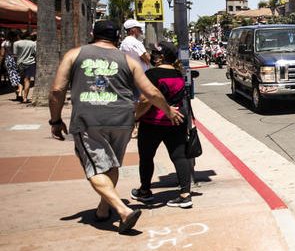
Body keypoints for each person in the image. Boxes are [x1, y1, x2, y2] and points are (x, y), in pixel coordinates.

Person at [48, 20, 184, 235]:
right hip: (122, 121)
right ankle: (104, 209)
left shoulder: (74, 55)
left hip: (89, 120)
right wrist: (168, 110)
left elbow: (57, 90)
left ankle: (122, 210)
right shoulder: (127, 60)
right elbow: (151, 92)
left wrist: (55, 120)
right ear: (117, 37)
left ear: (93, 34)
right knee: (111, 166)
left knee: (93, 168)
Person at [132, 41, 194, 209]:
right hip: (176, 121)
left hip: (153, 122)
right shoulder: (178, 73)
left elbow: (146, 99)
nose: (151, 56)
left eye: (154, 53)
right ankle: (185, 194)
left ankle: (145, 191)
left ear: (161, 57)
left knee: (146, 157)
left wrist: (136, 116)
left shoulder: (152, 74)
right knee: (179, 157)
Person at [13, 31, 36, 103]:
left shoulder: (16, 43)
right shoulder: (33, 43)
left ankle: (20, 93)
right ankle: (25, 98)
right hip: (30, 63)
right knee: (27, 80)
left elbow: (15, 54)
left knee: (20, 79)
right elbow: (34, 53)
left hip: (20, 63)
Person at [3, 31, 21, 100]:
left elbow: (2, 54)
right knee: (19, 76)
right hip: (18, 59)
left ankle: (17, 93)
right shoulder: (17, 43)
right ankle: (20, 92)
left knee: (12, 76)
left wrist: (1, 62)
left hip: (9, 60)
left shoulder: (5, 43)